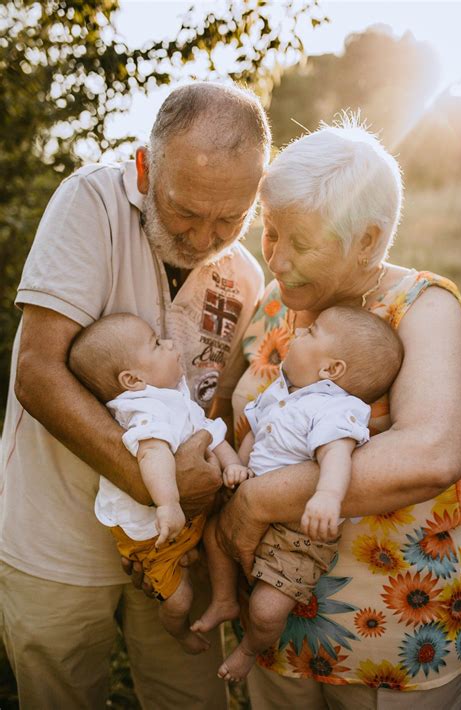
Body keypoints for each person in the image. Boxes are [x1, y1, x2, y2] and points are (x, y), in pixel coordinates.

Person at [0, 81, 270, 709]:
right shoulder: (89, 201)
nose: (205, 239)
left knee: (190, 698)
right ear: (147, 168)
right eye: (185, 212)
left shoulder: (248, 277)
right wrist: (159, 489)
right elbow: (37, 372)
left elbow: (211, 406)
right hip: (56, 538)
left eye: (230, 219)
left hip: (178, 547)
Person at [216, 116, 461, 709]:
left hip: (387, 641)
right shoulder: (276, 304)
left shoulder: (420, 307)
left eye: (300, 242)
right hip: (274, 631)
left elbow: (432, 453)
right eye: (271, 231)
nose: (276, 259)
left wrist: (258, 501)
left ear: (368, 238)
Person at [193, 305, 403, 681]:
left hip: (295, 536)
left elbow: (337, 455)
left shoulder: (335, 409)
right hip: (250, 506)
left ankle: (249, 649)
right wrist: (239, 466)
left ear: (331, 370)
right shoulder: (282, 393)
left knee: (266, 610)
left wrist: (327, 496)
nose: (299, 334)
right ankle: (224, 600)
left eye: (312, 333)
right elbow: (257, 434)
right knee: (214, 536)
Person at [69, 312, 249, 655]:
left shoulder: (172, 398)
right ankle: (179, 631)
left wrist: (233, 466)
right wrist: (168, 504)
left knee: (217, 545)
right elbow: (153, 454)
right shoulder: (144, 410)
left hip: (182, 523)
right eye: (156, 343)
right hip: (153, 532)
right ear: (133, 379)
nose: (169, 344)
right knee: (180, 600)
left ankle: (224, 600)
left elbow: (209, 432)